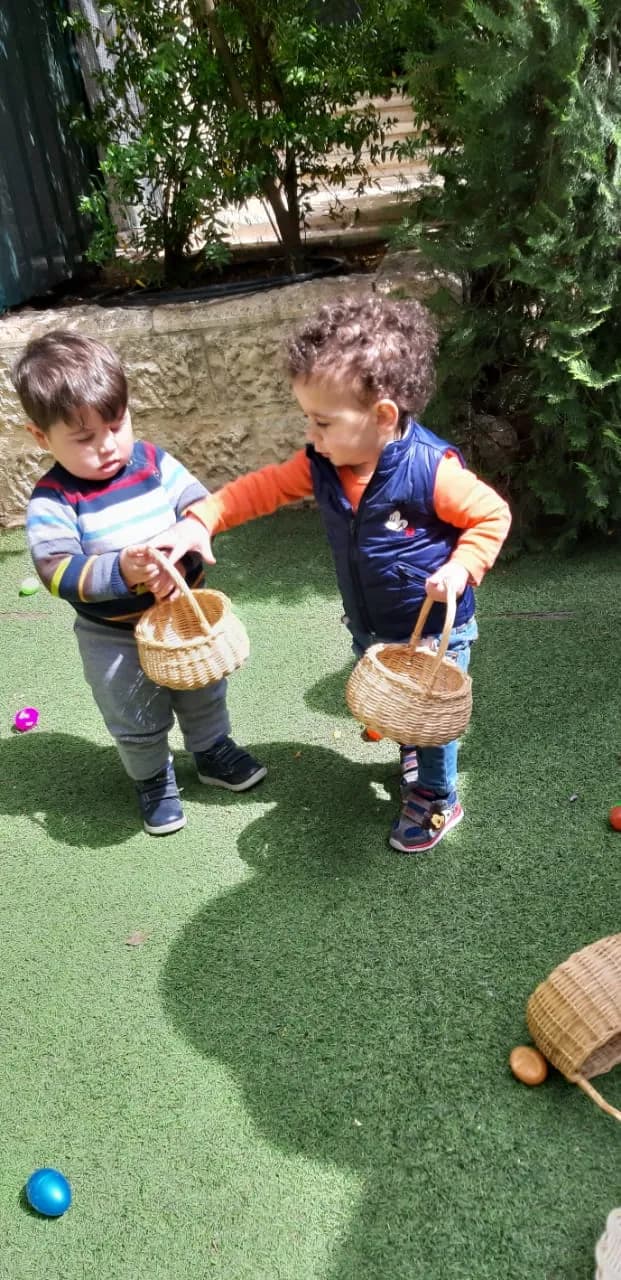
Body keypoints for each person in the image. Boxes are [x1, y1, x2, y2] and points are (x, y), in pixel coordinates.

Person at [145, 295, 511, 853]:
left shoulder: (430, 470)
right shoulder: (323, 464)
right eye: (308, 420)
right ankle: (410, 748)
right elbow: (260, 488)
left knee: (431, 719)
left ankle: (438, 796)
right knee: (400, 704)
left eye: (322, 422)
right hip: (372, 622)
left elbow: (492, 515)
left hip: (436, 630)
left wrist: (461, 568)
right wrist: (202, 520)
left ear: (382, 416)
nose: (311, 435)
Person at [13, 330, 265, 837]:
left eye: (116, 424)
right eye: (84, 438)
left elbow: (200, 504)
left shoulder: (152, 462)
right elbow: (56, 571)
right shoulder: (53, 500)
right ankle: (152, 779)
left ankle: (211, 750)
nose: (107, 445)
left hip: (182, 617)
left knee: (202, 688)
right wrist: (122, 571)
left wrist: (190, 532)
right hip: (113, 635)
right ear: (41, 437)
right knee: (132, 710)